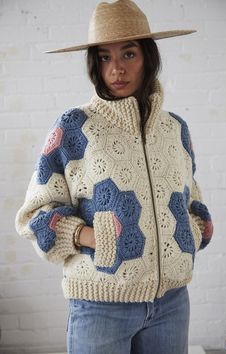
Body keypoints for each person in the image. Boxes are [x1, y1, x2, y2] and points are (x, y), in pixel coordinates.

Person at [15, 1, 214, 353]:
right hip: (100, 305)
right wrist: (91, 236)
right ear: (94, 63)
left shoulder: (175, 129)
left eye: (129, 53)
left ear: (148, 58)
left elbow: (192, 201)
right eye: (104, 57)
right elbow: (34, 215)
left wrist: (190, 232)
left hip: (171, 304)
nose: (117, 69)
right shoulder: (74, 128)